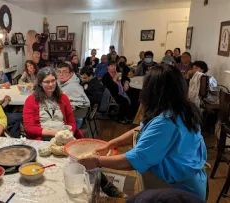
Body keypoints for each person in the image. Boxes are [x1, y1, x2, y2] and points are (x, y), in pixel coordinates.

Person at [79, 64, 207, 200]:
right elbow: (141, 128)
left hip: (177, 192)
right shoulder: (181, 108)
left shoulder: (166, 122)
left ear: (153, 91)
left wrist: (97, 161)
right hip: (190, 181)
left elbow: (134, 160)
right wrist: (110, 144)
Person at [23, 67, 84, 140]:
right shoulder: (31, 100)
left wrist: (70, 133)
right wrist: (56, 133)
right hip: (42, 139)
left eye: (53, 81)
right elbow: (29, 127)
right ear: (40, 83)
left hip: (63, 137)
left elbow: (71, 122)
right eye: (47, 82)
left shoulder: (63, 98)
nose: (51, 84)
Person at [57, 63, 90, 128]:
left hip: (74, 120)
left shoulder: (72, 86)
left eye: (65, 72)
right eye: (59, 72)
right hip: (73, 117)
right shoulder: (65, 82)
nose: (61, 74)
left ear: (71, 73)